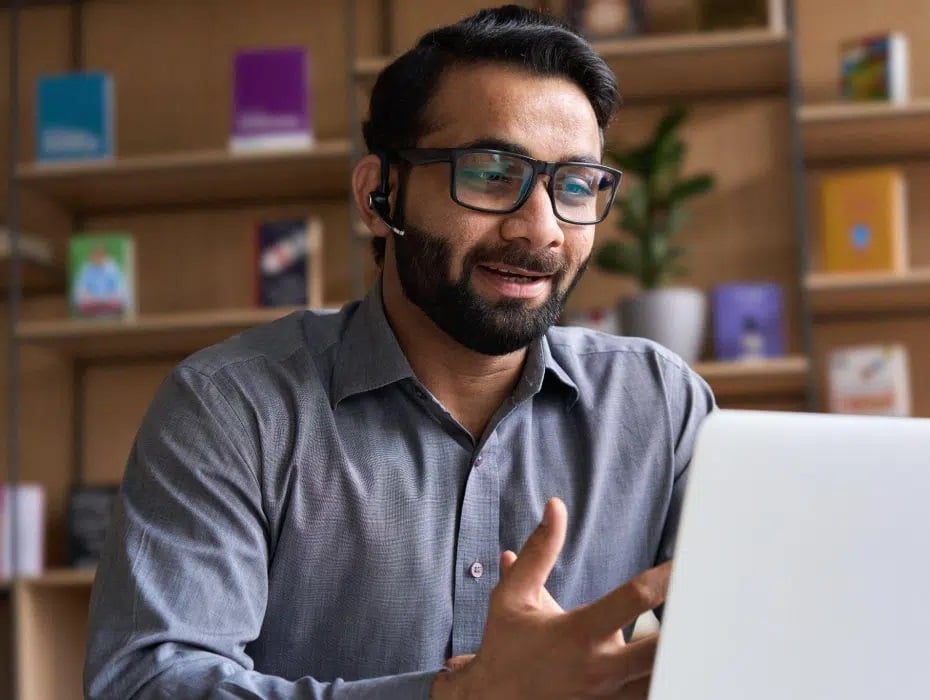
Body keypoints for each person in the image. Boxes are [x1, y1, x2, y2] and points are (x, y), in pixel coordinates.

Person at [84, 5, 715, 699]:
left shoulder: (659, 403)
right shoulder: (234, 406)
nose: (543, 230)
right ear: (379, 196)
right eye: (490, 173)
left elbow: (752, 645)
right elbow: (146, 684)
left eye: (574, 186)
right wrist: (457, 696)